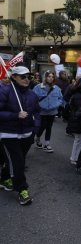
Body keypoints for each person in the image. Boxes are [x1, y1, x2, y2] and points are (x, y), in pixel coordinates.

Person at [0, 66, 40, 205]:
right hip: (9, 134)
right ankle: (22, 189)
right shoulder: (4, 91)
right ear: (14, 77)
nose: (26, 79)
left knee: (16, 160)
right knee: (18, 162)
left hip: (27, 134)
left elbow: (37, 112)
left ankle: (5, 178)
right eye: (23, 77)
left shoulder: (32, 95)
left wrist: (35, 128)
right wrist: (15, 115)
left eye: (28, 76)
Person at [33, 70, 64, 153]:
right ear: (45, 77)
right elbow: (33, 98)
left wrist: (56, 105)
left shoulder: (56, 88)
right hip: (41, 111)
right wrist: (38, 106)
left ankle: (47, 144)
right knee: (42, 126)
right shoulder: (38, 87)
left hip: (52, 111)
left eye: (52, 77)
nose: (50, 78)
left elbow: (61, 99)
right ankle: (38, 138)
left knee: (49, 127)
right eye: (49, 76)